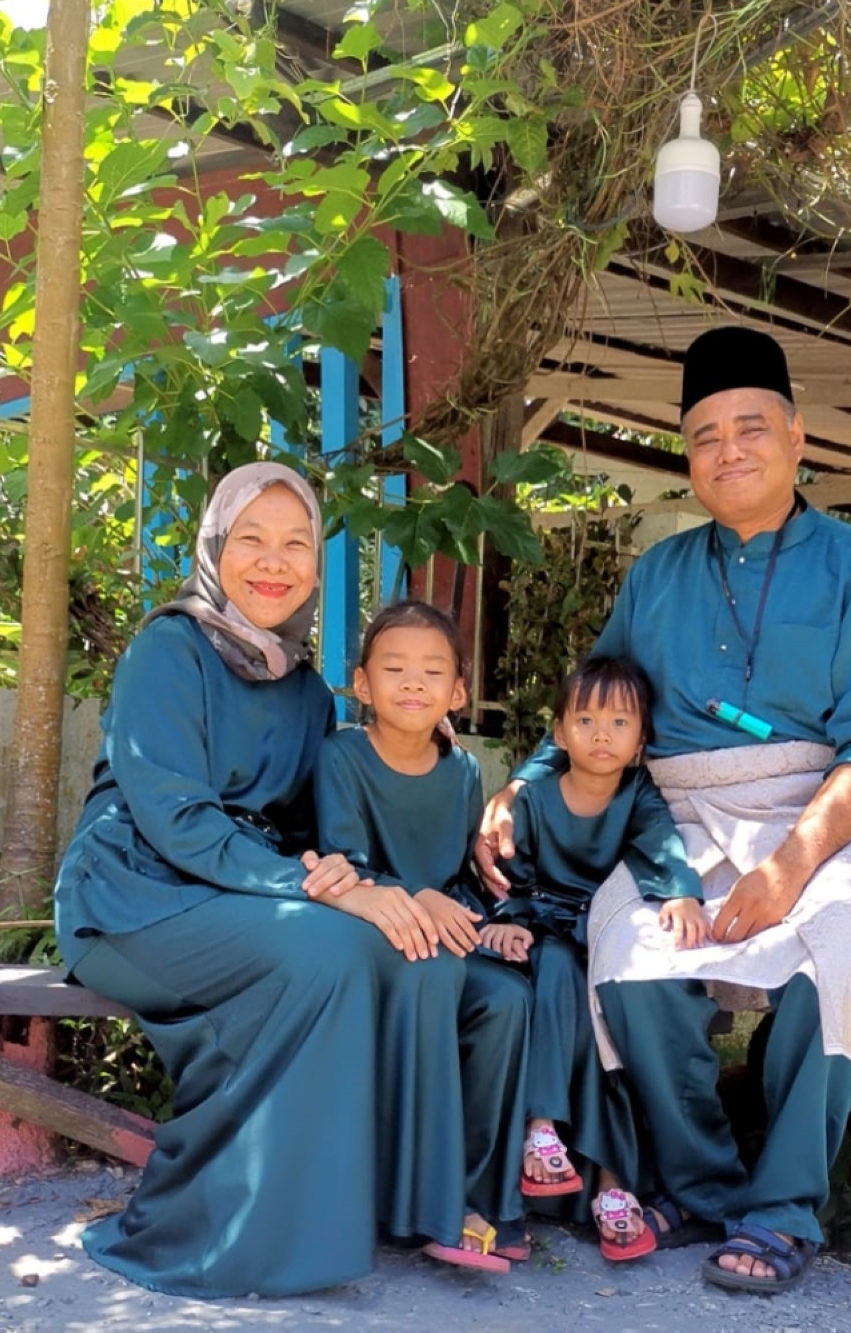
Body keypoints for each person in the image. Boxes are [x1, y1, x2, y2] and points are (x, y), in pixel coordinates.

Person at [478, 326, 851, 1295]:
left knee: (846, 948)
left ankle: (783, 1210)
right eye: (704, 436)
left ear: (797, 436)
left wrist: (790, 866)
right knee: (625, 950)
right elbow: (596, 697)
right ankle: (704, 1187)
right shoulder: (659, 573)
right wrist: (521, 782)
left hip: (821, 814)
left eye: (750, 428)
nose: (729, 451)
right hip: (675, 819)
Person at [54, 463, 474, 1298]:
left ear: (317, 566)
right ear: (216, 547)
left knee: (416, 947)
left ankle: (404, 1207)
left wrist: (381, 886)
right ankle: (241, 1227)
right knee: (328, 949)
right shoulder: (167, 650)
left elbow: (311, 836)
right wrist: (315, 890)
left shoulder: (309, 693)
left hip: (238, 893)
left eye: (295, 543)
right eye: (251, 538)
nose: (273, 562)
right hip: (131, 895)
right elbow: (176, 819)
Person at [311, 599, 532, 1272]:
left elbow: (461, 878)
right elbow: (345, 868)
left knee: (507, 998)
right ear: (361, 682)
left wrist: (489, 928)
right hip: (369, 934)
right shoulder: (342, 757)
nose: (413, 682)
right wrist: (414, 897)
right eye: (394, 668)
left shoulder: (462, 770)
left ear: (457, 691)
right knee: (431, 970)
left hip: (440, 935)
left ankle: (479, 1193)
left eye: (433, 671)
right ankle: (423, 1206)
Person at [480, 655, 710, 1263]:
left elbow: (663, 846)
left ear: (641, 739)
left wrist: (681, 892)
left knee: (610, 1025)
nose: (601, 734)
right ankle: (553, 1139)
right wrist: (508, 924)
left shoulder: (638, 795)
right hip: (543, 933)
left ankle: (599, 1173)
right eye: (585, 720)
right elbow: (507, 882)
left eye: (619, 723)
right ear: (559, 733)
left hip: (602, 933)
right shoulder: (531, 800)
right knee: (558, 966)